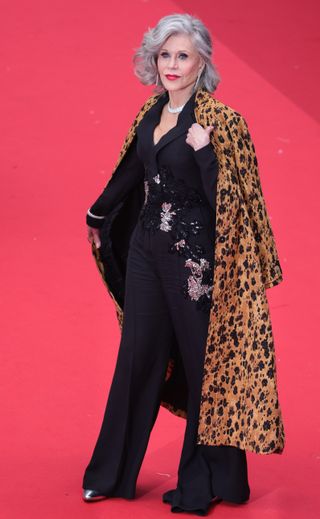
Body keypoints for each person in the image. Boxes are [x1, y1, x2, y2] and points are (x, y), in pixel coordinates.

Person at [82, 13, 285, 516]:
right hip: (148, 254)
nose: (172, 65)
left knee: (204, 368)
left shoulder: (221, 122)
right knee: (137, 359)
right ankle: (109, 473)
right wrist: (97, 212)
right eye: (165, 54)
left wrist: (207, 155)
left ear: (202, 63)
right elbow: (133, 168)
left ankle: (210, 480)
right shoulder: (151, 114)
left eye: (183, 56)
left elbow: (235, 207)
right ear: (154, 59)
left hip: (197, 263)